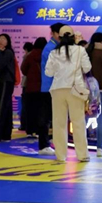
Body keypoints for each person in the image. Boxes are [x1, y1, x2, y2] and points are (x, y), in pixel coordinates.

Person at [45, 26, 91, 163]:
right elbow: (87, 68)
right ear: (73, 37)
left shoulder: (54, 52)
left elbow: (48, 72)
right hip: (75, 89)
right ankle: (82, 155)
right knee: (78, 123)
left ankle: (60, 155)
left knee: (59, 123)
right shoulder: (80, 50)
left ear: (59, 37)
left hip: (58, 89)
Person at [40, 22, 63, 155]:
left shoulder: (57, 46)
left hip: (55, 87)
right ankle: (43, 146)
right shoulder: (50, 48)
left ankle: (51, 141)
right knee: (46, 117)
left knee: (54, 116)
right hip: (49, 87)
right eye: (59, 32)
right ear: (53, 33)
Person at [21, 37, 47, 141]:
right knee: (41, 111)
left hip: (31, 88)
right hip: (43, 88)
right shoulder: (47, 55)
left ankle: (30, 131)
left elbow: (23, 69)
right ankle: (40, 131)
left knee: (30, 110)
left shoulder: (30, 55)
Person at [0, 34, 17, 141]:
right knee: (6, 107)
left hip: (6, 81)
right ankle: (5, 134)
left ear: (8, 42)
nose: (1, 41)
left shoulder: (7, 52)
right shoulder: (7, 52)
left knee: (1, 107)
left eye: (3, 39)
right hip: (6, 81)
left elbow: (1, 65)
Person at [19, 42, 34, 132]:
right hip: (35, 85)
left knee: (25, 105)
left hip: (26, 83)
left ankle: (24, 125)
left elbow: (23, 69)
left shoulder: (27, 56)